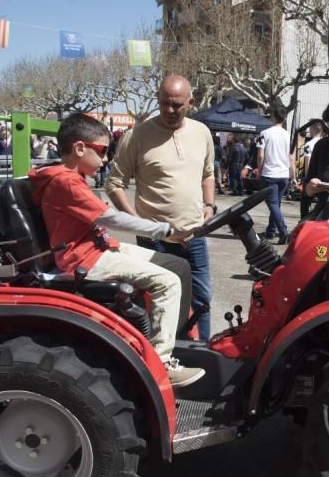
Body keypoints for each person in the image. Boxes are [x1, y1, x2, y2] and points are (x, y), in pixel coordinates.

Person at [29, 114, 205, 387]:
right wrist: (166, 230)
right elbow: (111, 219)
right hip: (84, 258)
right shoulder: (66, 182)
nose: (105, 158)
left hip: (99, 247)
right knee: (167, 282)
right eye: (102, 151)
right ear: (79, 148)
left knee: (179, 267)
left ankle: (169, 339)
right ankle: (161, 363)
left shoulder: (73, 177)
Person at [106, 75, 217, 341]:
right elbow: (114, 183)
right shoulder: (137, 136)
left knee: (202, 297)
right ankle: (163, 355)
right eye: (164, 103)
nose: (169, 110)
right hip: (154, 239)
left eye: (177, 105)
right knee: (159, 300)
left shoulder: (201, 132)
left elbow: (208, 173)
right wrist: (136, 221)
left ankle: (202, 349)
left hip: (194, 235)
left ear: (191, 102)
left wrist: (209, 205)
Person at [258, 104, 292, 244]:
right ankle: (271, 231)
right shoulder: (288, 135)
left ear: (273, 117)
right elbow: (291, 157)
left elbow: (260, 155)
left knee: (272, 204)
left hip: (270, 173)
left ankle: (283, 231)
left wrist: (259, 170)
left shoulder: (265, 133)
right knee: (275, 204)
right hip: (284, 173)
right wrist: (293, 174)